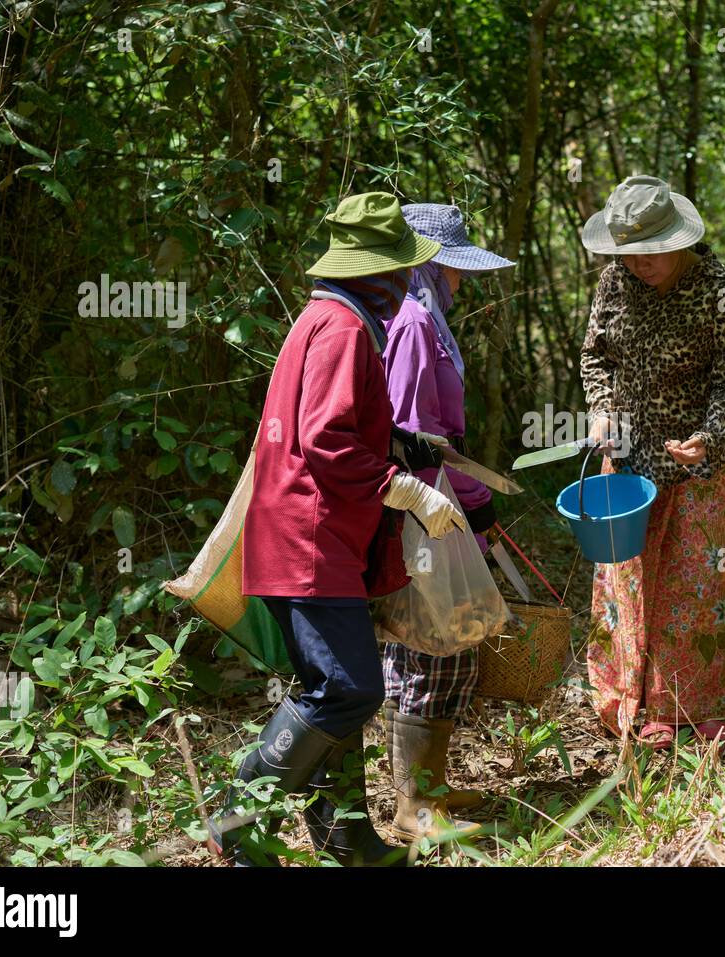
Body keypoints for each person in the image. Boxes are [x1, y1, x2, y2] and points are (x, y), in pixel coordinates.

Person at [208, 192, 467, 866]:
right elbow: (325, 439)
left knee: (336, 694)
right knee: (350, 689)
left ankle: (346, 840)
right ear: (374, 269)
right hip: (309, 538)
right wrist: (401, 487)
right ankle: (236, 819)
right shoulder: (345, 328)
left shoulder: (326, 316)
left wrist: (402, 442)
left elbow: (334, 422)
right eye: (398, 268)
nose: (405, 283)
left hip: (313, 537)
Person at [579, 175, 725, 750]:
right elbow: (595, 358)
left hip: (695, 468)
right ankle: (635, 699)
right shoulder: (612, 285)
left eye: (649, 254)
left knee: (696, 587)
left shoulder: (721, 291)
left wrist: (710, 434)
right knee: (630, 585)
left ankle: (695, 706)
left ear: (679, 242)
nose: (637, 265)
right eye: (627, 254)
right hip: (626, 466)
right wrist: (602, 413)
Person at [379, 202, 515, 840]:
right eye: (454, 270)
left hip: (441, 501)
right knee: (428, 645)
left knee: (446, 644)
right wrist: (459, 494)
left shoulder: (427, 321)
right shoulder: (410, 323)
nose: (461, 282)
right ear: (429, 266)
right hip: (422, 511)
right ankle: (412, 806)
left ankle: (428, 784)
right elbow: (409, 435)